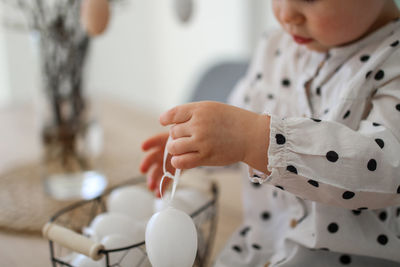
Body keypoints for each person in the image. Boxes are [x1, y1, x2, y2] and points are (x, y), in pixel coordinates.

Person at [140, 0, 400, 266]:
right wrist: (202, 144)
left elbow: (386, 169)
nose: (286, 15)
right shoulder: (277, 47)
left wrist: (255, 138)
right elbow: (240, 140)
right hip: (261, 248)